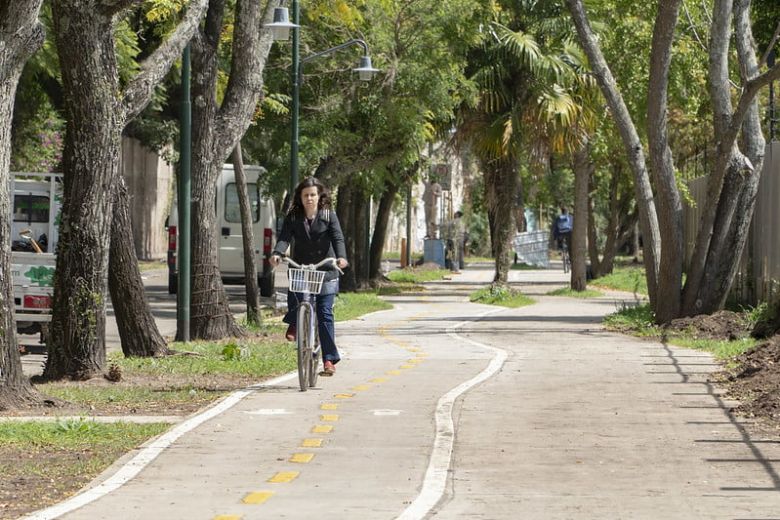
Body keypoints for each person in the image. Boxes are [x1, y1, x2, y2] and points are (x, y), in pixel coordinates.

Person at [270, 177, 348, 376]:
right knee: (295, 295)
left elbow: (338, 237)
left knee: (325, 314)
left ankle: (329, 360)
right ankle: (295, 321)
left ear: (319, 196)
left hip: (326, 269)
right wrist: (277, 253)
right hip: (302, 267)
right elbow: (285, 237)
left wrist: (341, 258)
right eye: (306, 195)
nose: (309, 198)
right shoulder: (294, 216)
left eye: (313, 194)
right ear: (300, 197)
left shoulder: (329, 215)